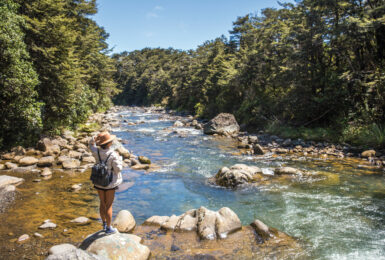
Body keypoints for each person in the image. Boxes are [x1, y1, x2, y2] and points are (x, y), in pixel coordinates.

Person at [89, 131, 123, 234]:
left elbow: (90, 144)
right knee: (109, 205)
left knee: (102, 203)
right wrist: (120, 158)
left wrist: (94, 138)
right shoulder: (113, 154)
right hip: (109, 183)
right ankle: (108, 228)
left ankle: (104, 224)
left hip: (98, 181)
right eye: (110, 141)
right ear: (109, 144)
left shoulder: (96, 151)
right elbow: (118, 169)